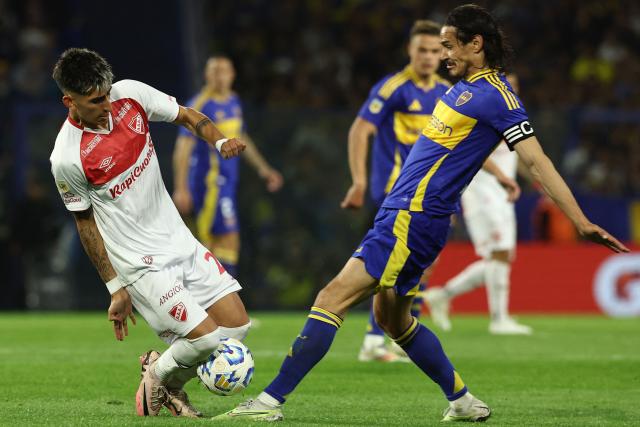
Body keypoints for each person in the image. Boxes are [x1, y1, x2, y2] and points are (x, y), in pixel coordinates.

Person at [215, 4, 629, 423]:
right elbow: (449, 151)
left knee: (331, 298)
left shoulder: (499, 97)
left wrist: (580, 221)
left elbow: (538, 161)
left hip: (413, 217)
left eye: (450, 46)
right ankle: (463, 401)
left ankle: (267, 403)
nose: (443, 54)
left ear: (476, 44)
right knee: (393, 320)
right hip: (409, 215)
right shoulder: (459, 89)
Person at [49, 48, 253, 418]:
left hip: (179, 240)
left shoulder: (131, 96)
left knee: (236, 327)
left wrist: (220, 140)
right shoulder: (67, 157)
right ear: (70, 100)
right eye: (96, 100)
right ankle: (158, 378)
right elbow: (84, 223)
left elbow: (189, 116)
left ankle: (165, 376)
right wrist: (115, 287)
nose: (108, 104)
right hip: (140, 264)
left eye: (108, 93)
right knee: (206, 339)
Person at [341, 20, 450, 362]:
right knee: (392, 265)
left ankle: (396, 335)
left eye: (436, 51)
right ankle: (375, 339)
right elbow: (360, 130)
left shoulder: (446, 92)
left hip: (431, 193)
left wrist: (497, 175)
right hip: (396, 191)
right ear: (410, 50)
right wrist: (358, 181)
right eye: (423, 50)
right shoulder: (394, 88)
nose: (429, 57)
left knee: (420, 267)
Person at [424, 73, 533, 335]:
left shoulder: (511, 114)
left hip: (501, 193)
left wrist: (537, 181)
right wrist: (503, 177)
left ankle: (444, 295)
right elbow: (474, 152)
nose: (512, 89)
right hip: (482, 191)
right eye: (508, 84)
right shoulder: (486, 113)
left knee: (501, 256)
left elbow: (519, 155)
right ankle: (499, 319)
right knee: (498, 254)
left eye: (515, 86)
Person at [172, 56, 283, 276]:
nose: (219, 76)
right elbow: (182, 148)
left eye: (224, 71)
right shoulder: (199, 105)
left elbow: (241, 137)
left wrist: (263, 169)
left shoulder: (233, 101)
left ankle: (210, 303)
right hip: (209, 183)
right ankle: (221, 304)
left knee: (215, 246)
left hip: (228, 182)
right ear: (206, 75)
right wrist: (181, 187)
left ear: (232, 75)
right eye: (214, 71)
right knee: (226, 240)